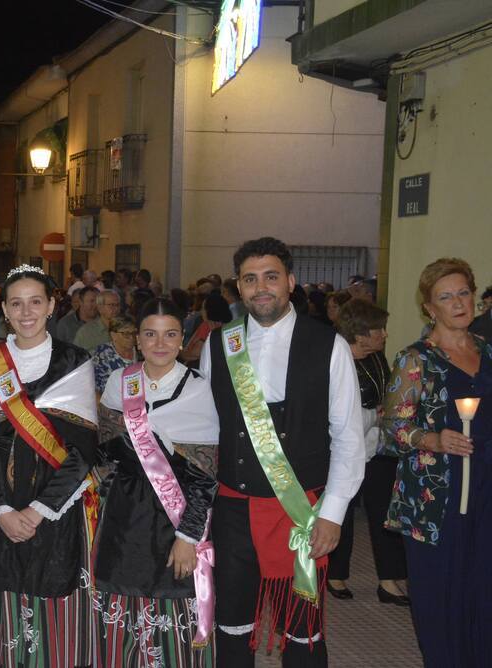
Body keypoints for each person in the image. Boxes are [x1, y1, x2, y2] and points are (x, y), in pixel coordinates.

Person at [200, 237, 364, 667]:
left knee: (303, 630)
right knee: (231, 624)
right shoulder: (218, 345)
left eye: (271, 276)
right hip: (233, 509)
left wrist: (333, 513)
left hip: (302, 509)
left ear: (290, 281)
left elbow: (349, 437)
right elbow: (207, 430)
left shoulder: (330, 345)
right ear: (238, 287)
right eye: (250, 279)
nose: (261, 288)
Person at [0, 265, 98, 667]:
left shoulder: (75, 362)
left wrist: (40, 509)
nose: (26, 312)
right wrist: (3, 511)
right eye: (16, 304)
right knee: (0, 617)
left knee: (53, 616)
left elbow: (82, 449)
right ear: (4, 312)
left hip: (55, 505)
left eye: (35, 302)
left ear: (50, 307)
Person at [95, 298, 219, 666]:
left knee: (171, 609)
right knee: (120, 607)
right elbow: (105, 453)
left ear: (183, 340)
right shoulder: (120, 381)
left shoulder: (199, 390)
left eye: (170, 335)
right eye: (150, 334)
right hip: (125, 516)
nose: (160, 343)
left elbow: (206, 476)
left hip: (176, 519)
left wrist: (189, 538)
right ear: (138, 338)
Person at [382, 257, 492, 667]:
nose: (458, 302)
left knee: (483, 587)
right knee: (442, 593)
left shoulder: (488, 352)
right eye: (446, 297)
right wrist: (433, 439)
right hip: (436, 497)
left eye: (464, 292)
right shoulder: (416, 360)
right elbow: (390, 429)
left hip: (486, 487)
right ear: (430, 308)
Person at [325, 300, 408, 604]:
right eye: (379, 329)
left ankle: (389, 579)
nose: (385, 334)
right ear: (360, 334)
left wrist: (377, 415)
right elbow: (341, 420)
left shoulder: (376, 358)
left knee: (385, 515)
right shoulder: (335, 359)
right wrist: (377, 416)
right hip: (342, 452)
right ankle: (335, 573)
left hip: (377, 450)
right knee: (341, 515)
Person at [90, 314, 137, 395]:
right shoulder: (102, 354)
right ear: (113, 335)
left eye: (134, 332)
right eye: (126, 333)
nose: (131, 337)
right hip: (112, 402)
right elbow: (100, 389)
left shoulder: (141, 350)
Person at [182, 292, 233, 365]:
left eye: (203, 308)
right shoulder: (230, 325)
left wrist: (179, 353)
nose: (201, 311)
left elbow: (196, 353)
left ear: (209, 310)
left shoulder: (208, 325)